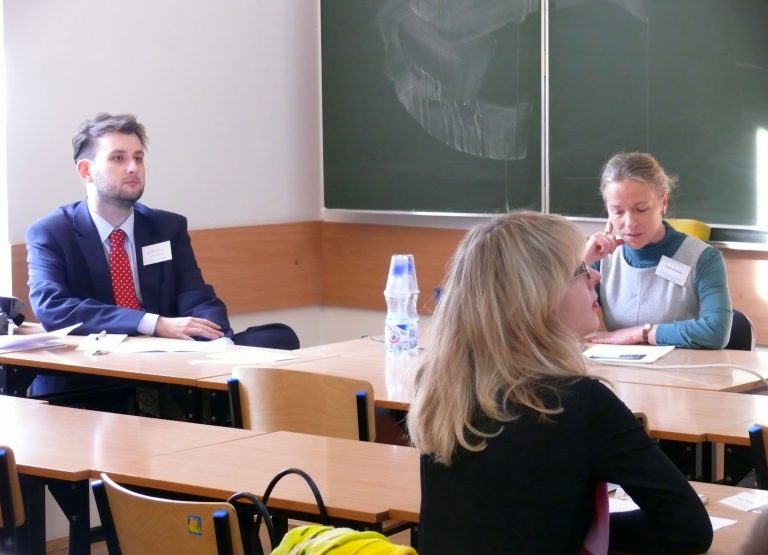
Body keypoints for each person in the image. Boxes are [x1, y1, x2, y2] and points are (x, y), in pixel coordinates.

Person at [407, 211, 713, 554]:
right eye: (580, 270)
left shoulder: (443, 389)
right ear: (539, 295)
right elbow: (688, 529)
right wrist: (588, 527)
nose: (595, 275)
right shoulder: (579, 402)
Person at [26, 112, 232, 396]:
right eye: (118, 158)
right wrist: (151, 323)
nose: (133, 167)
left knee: (276, 338)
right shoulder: (52, 232)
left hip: (165, 372)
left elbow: (195, 294)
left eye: (138, 157)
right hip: (87, 380)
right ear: (86, 171)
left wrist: (218, 340)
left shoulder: (167, 227)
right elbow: (53, 307)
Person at [585, 152, 732, 348]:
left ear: (663, 201)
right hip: (616, 367)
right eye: (617, 211)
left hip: (683, 366)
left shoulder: (704, 258)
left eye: (641, 209)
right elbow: (556, 322)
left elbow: (716, 332)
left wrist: (643, 333)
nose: (629, 223)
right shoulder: (601, 259)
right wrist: (581, 263)